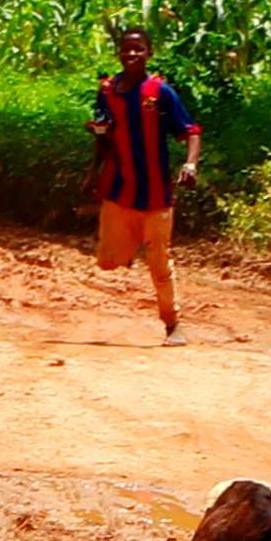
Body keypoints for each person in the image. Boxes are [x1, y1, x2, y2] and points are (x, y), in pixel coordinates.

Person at [90, 25, 208, 335]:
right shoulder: (108, 92)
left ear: (148, 53)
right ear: (118, 52)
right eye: (126, 48)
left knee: (160, 263)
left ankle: (172, 324)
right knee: (107, 261)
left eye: (138, 49)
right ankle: (128, 250)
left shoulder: (160, 93)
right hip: (119, 190)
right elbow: (104, 137)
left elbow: (191, 132)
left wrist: (190, 164)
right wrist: (92, 173)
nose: (131, 54)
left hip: (156, 195)